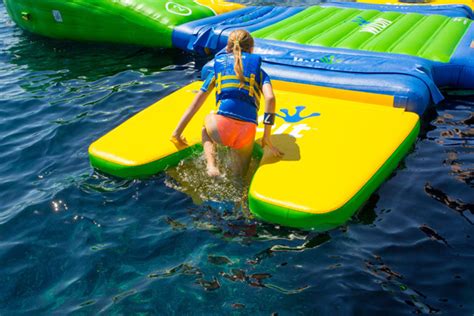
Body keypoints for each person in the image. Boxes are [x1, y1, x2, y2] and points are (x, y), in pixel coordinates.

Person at [171, 29, 282, 178]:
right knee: (239, 179)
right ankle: (240, 199)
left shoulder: (218, 69)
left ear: (228, 48)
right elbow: (270, 99)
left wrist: (177, 133)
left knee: (207, 124)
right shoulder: (260, 72)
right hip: (247, 132)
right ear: (251, 49)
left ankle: (212, 166)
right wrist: (267, 137)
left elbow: (196, 104)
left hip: (219, 129)